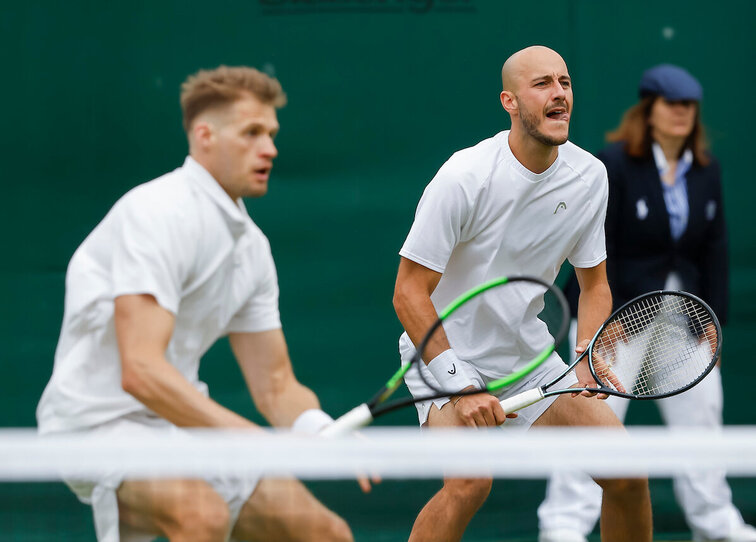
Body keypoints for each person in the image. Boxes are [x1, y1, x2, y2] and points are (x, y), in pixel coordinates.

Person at [36, 66, 356, 542]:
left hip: (177, 425)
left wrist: (316, 427)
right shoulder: (157, 213)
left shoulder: (252, 249)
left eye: (271, 133)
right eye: (252, 133)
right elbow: (140, 371)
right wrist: (248, 439)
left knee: (325, 533)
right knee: (199, 515)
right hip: (93, 426)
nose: (269, 148)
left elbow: (274, 383)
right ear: (204, 136)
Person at [392, 45, 653, 542]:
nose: (559, 94)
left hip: (528, 358)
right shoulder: (465, 176)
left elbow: (594, 283)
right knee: (469, 483)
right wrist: (459, 384)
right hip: (445, 355)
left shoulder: (589, 176)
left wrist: (587, 354)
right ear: (509, 102)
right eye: (542, 85)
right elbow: (408, 293)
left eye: (565, 82)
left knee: (627, 470)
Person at [537, 64, 756, 542]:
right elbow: (591, 248)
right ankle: (564, 527)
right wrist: (594, 328)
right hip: (619, 318)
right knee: (595, 421)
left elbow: (714, 250)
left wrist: (714, 321)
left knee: (703, 418)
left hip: (686, 321)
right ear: (649, 111)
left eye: (688, 107)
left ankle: (716, 524)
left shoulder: (706, 169)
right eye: (671, 104)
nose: (681, 114)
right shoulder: (614, 165)